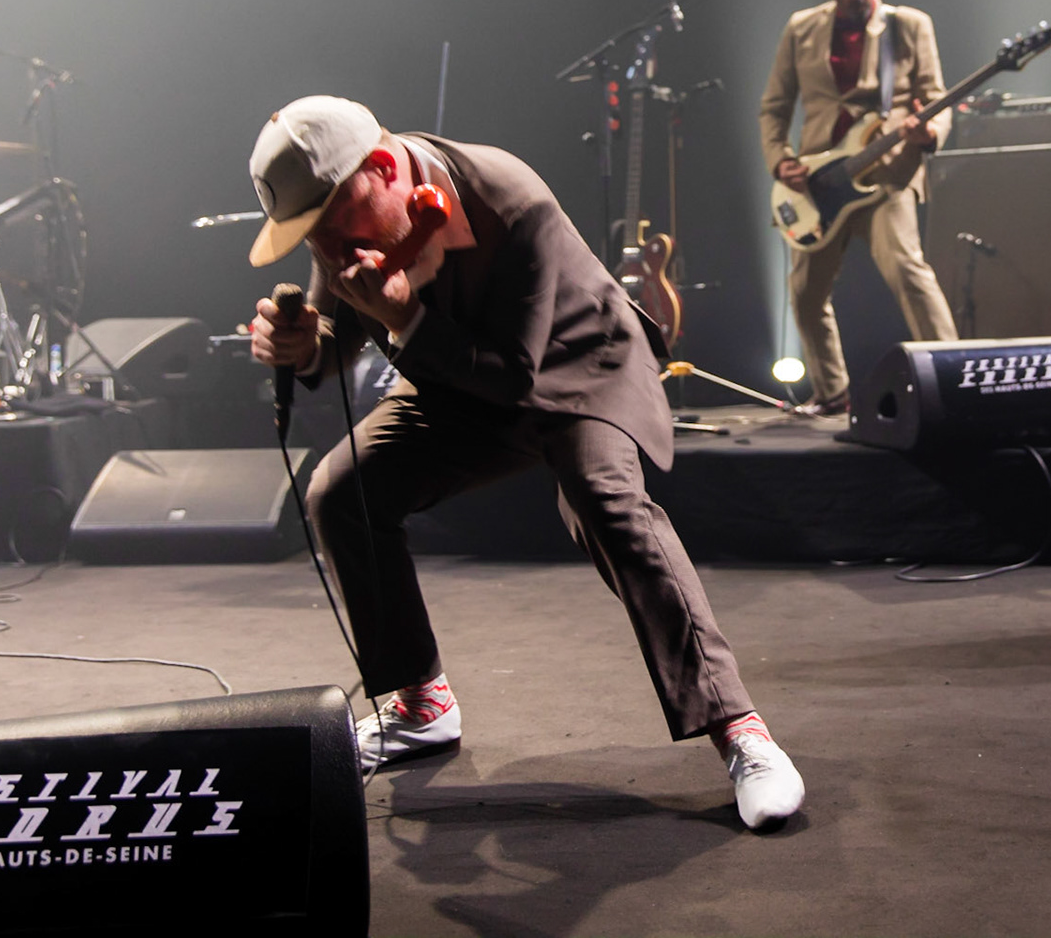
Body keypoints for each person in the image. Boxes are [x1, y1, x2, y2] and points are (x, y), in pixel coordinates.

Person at [245, 95, 804, 831]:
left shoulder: (508, 197)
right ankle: (420, 703)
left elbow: (514, 375)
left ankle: (742, 732)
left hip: (580, 366)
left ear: (380, 169)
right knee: (341, 490)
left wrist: (403, 320)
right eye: (308, 239)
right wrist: (303, 349)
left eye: (327, 228)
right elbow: (340, 335)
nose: (324, 252)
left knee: (608, 507)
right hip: (455, 373)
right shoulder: (344, 219)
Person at [758, 0, 958, 417]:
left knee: (908, 272)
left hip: (888, 173)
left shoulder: (909, 25)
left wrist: (926, 132)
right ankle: (832, 393)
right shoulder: (801, 28)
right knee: (805, 295)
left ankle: (954, 379)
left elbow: (936, 95)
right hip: (819, 181)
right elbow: (774, 108)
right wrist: (781, 160)